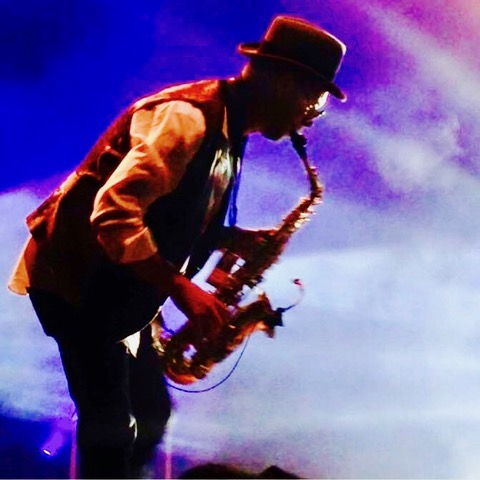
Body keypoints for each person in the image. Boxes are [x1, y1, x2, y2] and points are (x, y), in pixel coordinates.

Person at [8, 15, 347, 479]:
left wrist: (230, 238)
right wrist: (182, 289)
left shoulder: (230, 129)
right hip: (75, 276)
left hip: (120, 280)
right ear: (285, 83)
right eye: (314, 99)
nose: (312, 114)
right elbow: (114, 214)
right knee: (111, 424)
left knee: (151, 414)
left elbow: (167, 210)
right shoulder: (187, 118)